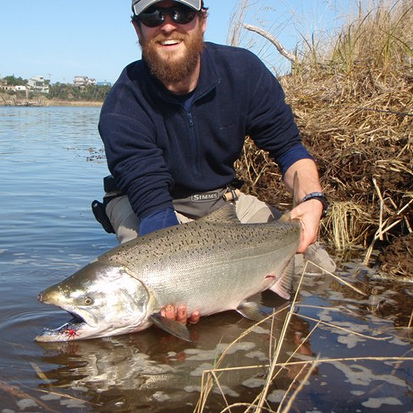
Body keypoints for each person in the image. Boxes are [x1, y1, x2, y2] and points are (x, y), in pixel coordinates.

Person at [96, 0, 335, 323]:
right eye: (153, 15)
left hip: (218, 200)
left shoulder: (243, 72)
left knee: (319, 271)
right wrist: (178, 288)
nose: (168, 24)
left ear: (202, 21)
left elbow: (290, 152)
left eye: (181, 12)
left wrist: (312, 198)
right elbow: (155, 209)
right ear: (138, 28)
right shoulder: (123, 105)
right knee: (148, 305)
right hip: (145, 207)